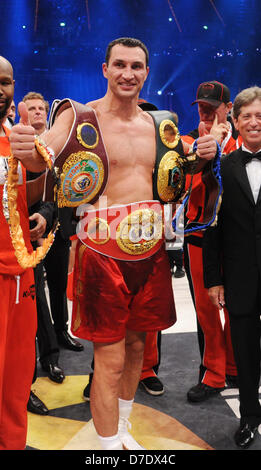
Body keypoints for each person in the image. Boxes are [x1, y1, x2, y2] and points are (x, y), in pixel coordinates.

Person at [9, 37, 217, 451]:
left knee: (139, 344)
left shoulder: (161, 125)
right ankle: (107, 445)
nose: (128, 74)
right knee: (108, 355)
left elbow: (185, 167)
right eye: (119, 65)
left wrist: (207, 152)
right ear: (104, 69)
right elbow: (42, 158)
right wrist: (24, 149)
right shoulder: (79, 115)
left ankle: (122, 430)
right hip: (101, 251)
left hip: (151, 250)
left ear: (146, 72)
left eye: (136, 66)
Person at [203, 86, 261, 448]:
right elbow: (213, 227)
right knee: (245, 353)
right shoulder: (221, 168)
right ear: (235, 122)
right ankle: (249, 417)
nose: (255, 122)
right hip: (240, 278)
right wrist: (214, 279)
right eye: (248, 116)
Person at [182, 81, 241, 402]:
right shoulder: (188, 141)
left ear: (228, 109)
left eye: (212, 107)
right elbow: (182, 184)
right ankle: (214, 373)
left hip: (238, 240)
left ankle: (234, 366)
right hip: (199, 236)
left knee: (239, 306)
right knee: (206, 309)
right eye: (201, 107)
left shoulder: (246, 142)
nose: (205, 112)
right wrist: (207, 149)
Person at [23, 91, 83, 354]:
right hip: (26, 231)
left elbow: (67, 187)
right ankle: (39, 340)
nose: (37, 111)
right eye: (32, 108)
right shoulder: (20, 144)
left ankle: (61, 332)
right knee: (33, 292)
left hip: (57, 225)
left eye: (40, 107)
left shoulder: (60, 144)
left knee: (58, 284)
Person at [0, 56, 37, 449]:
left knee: (16, 377)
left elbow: (31, 200)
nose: (0, 88)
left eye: (7, 81)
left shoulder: (18, 137)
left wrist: (42, 211)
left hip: (21, 272)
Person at [22, 92, 65, 392]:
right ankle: (22, 383)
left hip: (35, 234)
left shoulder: (48, 145)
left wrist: (44, 217)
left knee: (40, 299)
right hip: (11, 235)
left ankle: (48, 357)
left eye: (41, 108)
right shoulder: (15, 139)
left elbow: (51, 190)